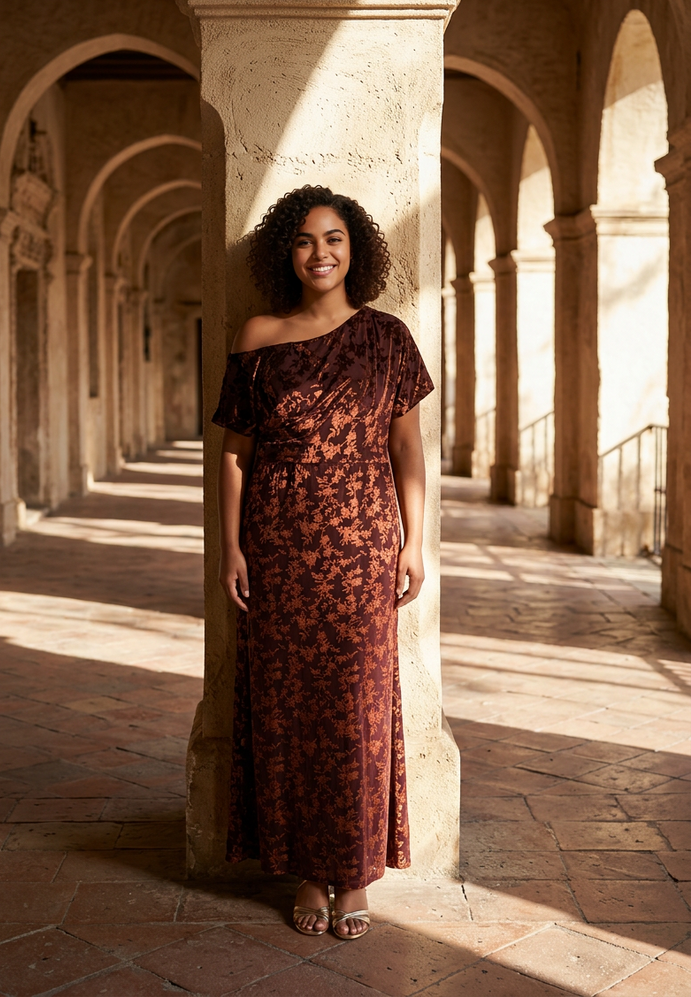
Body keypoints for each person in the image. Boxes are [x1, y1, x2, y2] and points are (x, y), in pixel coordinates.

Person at [213, 184, 433, 940]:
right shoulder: (257, 334)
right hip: (277, 549)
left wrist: (417, 539)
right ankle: (310, 871)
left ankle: (356, 873)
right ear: (287, 251)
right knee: (290, 712)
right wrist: (232, 545)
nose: (320, 253)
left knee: (356, 711)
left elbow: (408, 448)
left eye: (334, 239)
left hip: (363, 549)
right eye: (306, 240)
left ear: (355, 250)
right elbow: (235, 453)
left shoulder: (388, 339)